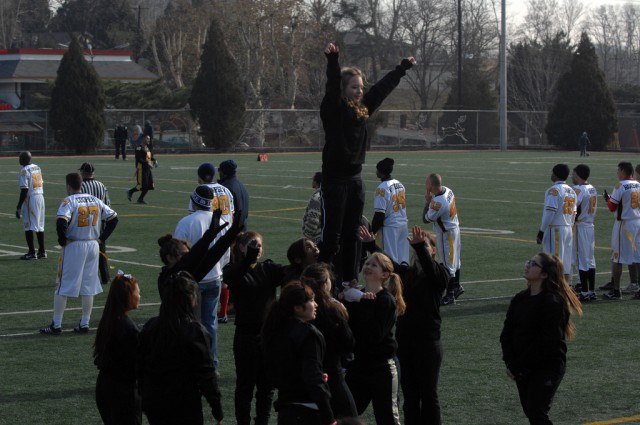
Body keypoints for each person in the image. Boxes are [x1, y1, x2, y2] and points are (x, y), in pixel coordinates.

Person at [318, 41, 415, 289]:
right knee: (331, 237)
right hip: (335, 181)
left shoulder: (363, 109)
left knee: (353, 235)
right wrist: (333, 61)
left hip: (355, 180)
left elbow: (382, 89)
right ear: (344, 88)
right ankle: (321, 280)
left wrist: (402, 68)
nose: (360, 91)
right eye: (354, 87)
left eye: (361, 87)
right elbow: (331, 87)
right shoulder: (334, 108)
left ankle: (350, 280)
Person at [360, 225, 449, 425]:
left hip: (428, 344)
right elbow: (389, 265)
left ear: (432, 250)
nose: (420, 248)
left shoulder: (440, 274)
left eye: (425, 245)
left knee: (428, 395)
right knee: (410, 396)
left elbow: (431, 270)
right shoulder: (407, 274)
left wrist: (419, 249)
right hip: (405, 343)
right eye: (417, 246)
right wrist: (371, 245)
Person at [500, 252, 583, 425]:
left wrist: (517, 365)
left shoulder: (553, 302)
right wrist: (510, 362)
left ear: (544, 274)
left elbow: (546, 342)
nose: (528, 265)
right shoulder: (519, 299)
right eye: (529, 261)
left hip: (547, 366)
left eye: (533, 264)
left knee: (537, 413)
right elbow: (506, 333)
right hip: (522, 367)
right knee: (531, 413)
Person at [137, 272, 224, 425]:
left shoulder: (151, 326)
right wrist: (217, 409)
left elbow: (141, 366)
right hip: (183, 404)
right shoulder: (194, 332)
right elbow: (206, 375)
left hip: (155, 402)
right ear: (190, 299)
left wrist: (144, 396)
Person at [40, 172, 119, 335]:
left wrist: (63, 241)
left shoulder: (69, 200)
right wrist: (101, 239)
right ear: (81, 184)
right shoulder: (94, 199)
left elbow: (61, 221)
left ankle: (56, 324)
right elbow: (114, 218)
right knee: (88, 286)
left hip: (75, 245)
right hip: (92, 245)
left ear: (68, 186)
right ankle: (84, 323)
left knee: (62, 286)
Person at [222, 231, 288, 425]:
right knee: (245, 386)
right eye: (251, 244)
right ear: (241, 248)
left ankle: (262, 422)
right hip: (245, 336)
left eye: (259, 244)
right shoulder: (233, 269)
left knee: (267, 387)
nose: (257, 248)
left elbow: (290, 272)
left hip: (268, 336)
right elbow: (231, 277)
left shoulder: (268, 268)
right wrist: (247, 260)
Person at [174, 185, 235, 369]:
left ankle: (193, 363)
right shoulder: (222, 221)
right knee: (210, 323)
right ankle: (211, 363)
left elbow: (177, 252)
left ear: (194, 201)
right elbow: (226, 253)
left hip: (194, 279)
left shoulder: (186, 222)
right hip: (215, 277)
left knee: (191, 323)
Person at [343, 251, 405, 425]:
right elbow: (349, 329)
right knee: (344, 413)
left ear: (385, 275)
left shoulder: (386, 300)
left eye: (374, 265)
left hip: (382, 368)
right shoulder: (358, 296)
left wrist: (362, 302)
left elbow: (374, 335)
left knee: (387, 418)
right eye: (367, 263)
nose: (368, 267)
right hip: (360, 365)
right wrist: (345, 300)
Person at [260, 281, 335, 425]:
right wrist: (330, 419)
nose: (316, 304)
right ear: (298, 308)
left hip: (286, 410)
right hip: (308, 412)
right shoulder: (309, 334)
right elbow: (313, 378)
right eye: (312, 300)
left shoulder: (275, 330)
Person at [300, 262, 357, 419]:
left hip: (302, 380)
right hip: (332, 376)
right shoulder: (332, 309)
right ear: (326, 283)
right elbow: (348, 344)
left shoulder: (297, 307)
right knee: (349, 418)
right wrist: (344, 316)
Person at [93, 272, 142, 425]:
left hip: (105, 387)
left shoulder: (110, 318)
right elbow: (136, 365)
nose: (140, 296)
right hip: (123, 394)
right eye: (137, 292)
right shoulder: (128, 328)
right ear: (127, 296)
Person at [602, 162, 640, 300]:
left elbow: (612, 207)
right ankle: (637, 286)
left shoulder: (620, 185)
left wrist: (607, 200)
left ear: (623, 171)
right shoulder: (638, 184)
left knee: (617, 257)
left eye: (618, 170)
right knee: (637, 256)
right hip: (637, 222)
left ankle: (616, 291)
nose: (617, 173)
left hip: (624, 224)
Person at [423, 173, 462, 305]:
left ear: (432, 185)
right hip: (455, 228)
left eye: (427, 183)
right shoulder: (448, 190)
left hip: (446, 234)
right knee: (455, 260)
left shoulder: (437, 202)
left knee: (447, 263)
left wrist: (428, 201)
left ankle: (450, 294)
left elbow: (426, 219)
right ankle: (457, 286)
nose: (425, 185)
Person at [218, 158, 249, 322]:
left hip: (232, 234)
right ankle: (237, 304)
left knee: (229, 273)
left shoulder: (226, 188)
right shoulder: (241, 185)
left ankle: (231, 305)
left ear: (223, 171)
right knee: (240, 270)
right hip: (243, 232)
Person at [536, 164, 576, 284]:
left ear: (556, 174)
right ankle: (566, 288)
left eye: (552, 173)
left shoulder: (554, 190)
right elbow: (574, 213)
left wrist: (541, 231)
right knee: (566, 262)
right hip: (568, 227)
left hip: (556, 229)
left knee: (554, 261)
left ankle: (556, 290)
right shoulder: (572, 191)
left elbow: (550, 212)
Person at [79, 162, 112, 285]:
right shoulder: (101, 185)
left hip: (85, 222)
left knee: (83, 250)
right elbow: (108, 205)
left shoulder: (81, 186)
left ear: (82, 173)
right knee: (101, 250)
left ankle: (83, 277)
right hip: (99, 221)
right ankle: (105, 277)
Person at [371, 157, 409, 265]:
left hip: (390, 227)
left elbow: (379, 214)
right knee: (403, 259)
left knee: (389, 261)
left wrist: (372, 232)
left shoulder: (382, 188)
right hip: (403, 225)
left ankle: (393, 282)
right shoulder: (400, 184)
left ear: (380, 171)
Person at [571, 164, 598, 301]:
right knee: (590, 259)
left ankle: (585, 292)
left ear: (579, 175)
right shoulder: (592, 188)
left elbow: (574, 208)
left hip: (581, 226)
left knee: (581, 259)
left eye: (574, 174)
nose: (572, 176)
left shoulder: (579, 189)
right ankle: (591, 290)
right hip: (590, 225)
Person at [15, 151, 46, 260]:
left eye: (20, 158)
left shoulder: (24, 170)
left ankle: (32, 252)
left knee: (28, 225)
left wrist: (19, 206)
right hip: (40, 196)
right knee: (39, 224)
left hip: (31, 198)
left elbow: (24, 189)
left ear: (24, 159)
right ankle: (42, 251)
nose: (19, 159)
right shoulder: (37, 167)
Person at [127, 135, 154, 204]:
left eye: (149, 139)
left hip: (147, 169)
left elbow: (148, 158)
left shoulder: (147, 148)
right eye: (147, 139)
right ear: (143, 139)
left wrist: (154, 160)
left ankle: (140, 199)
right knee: (141, 185)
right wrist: (147, 163)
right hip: (141, 169)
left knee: (149, 185)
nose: (149, 140)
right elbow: (139, 159)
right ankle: (130, 191)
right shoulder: (139, 148)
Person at [302, 171, 323, 244]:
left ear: (316, 182)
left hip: (317, 240)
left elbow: (313, 221)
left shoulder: (317, 198)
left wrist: (306, 238)